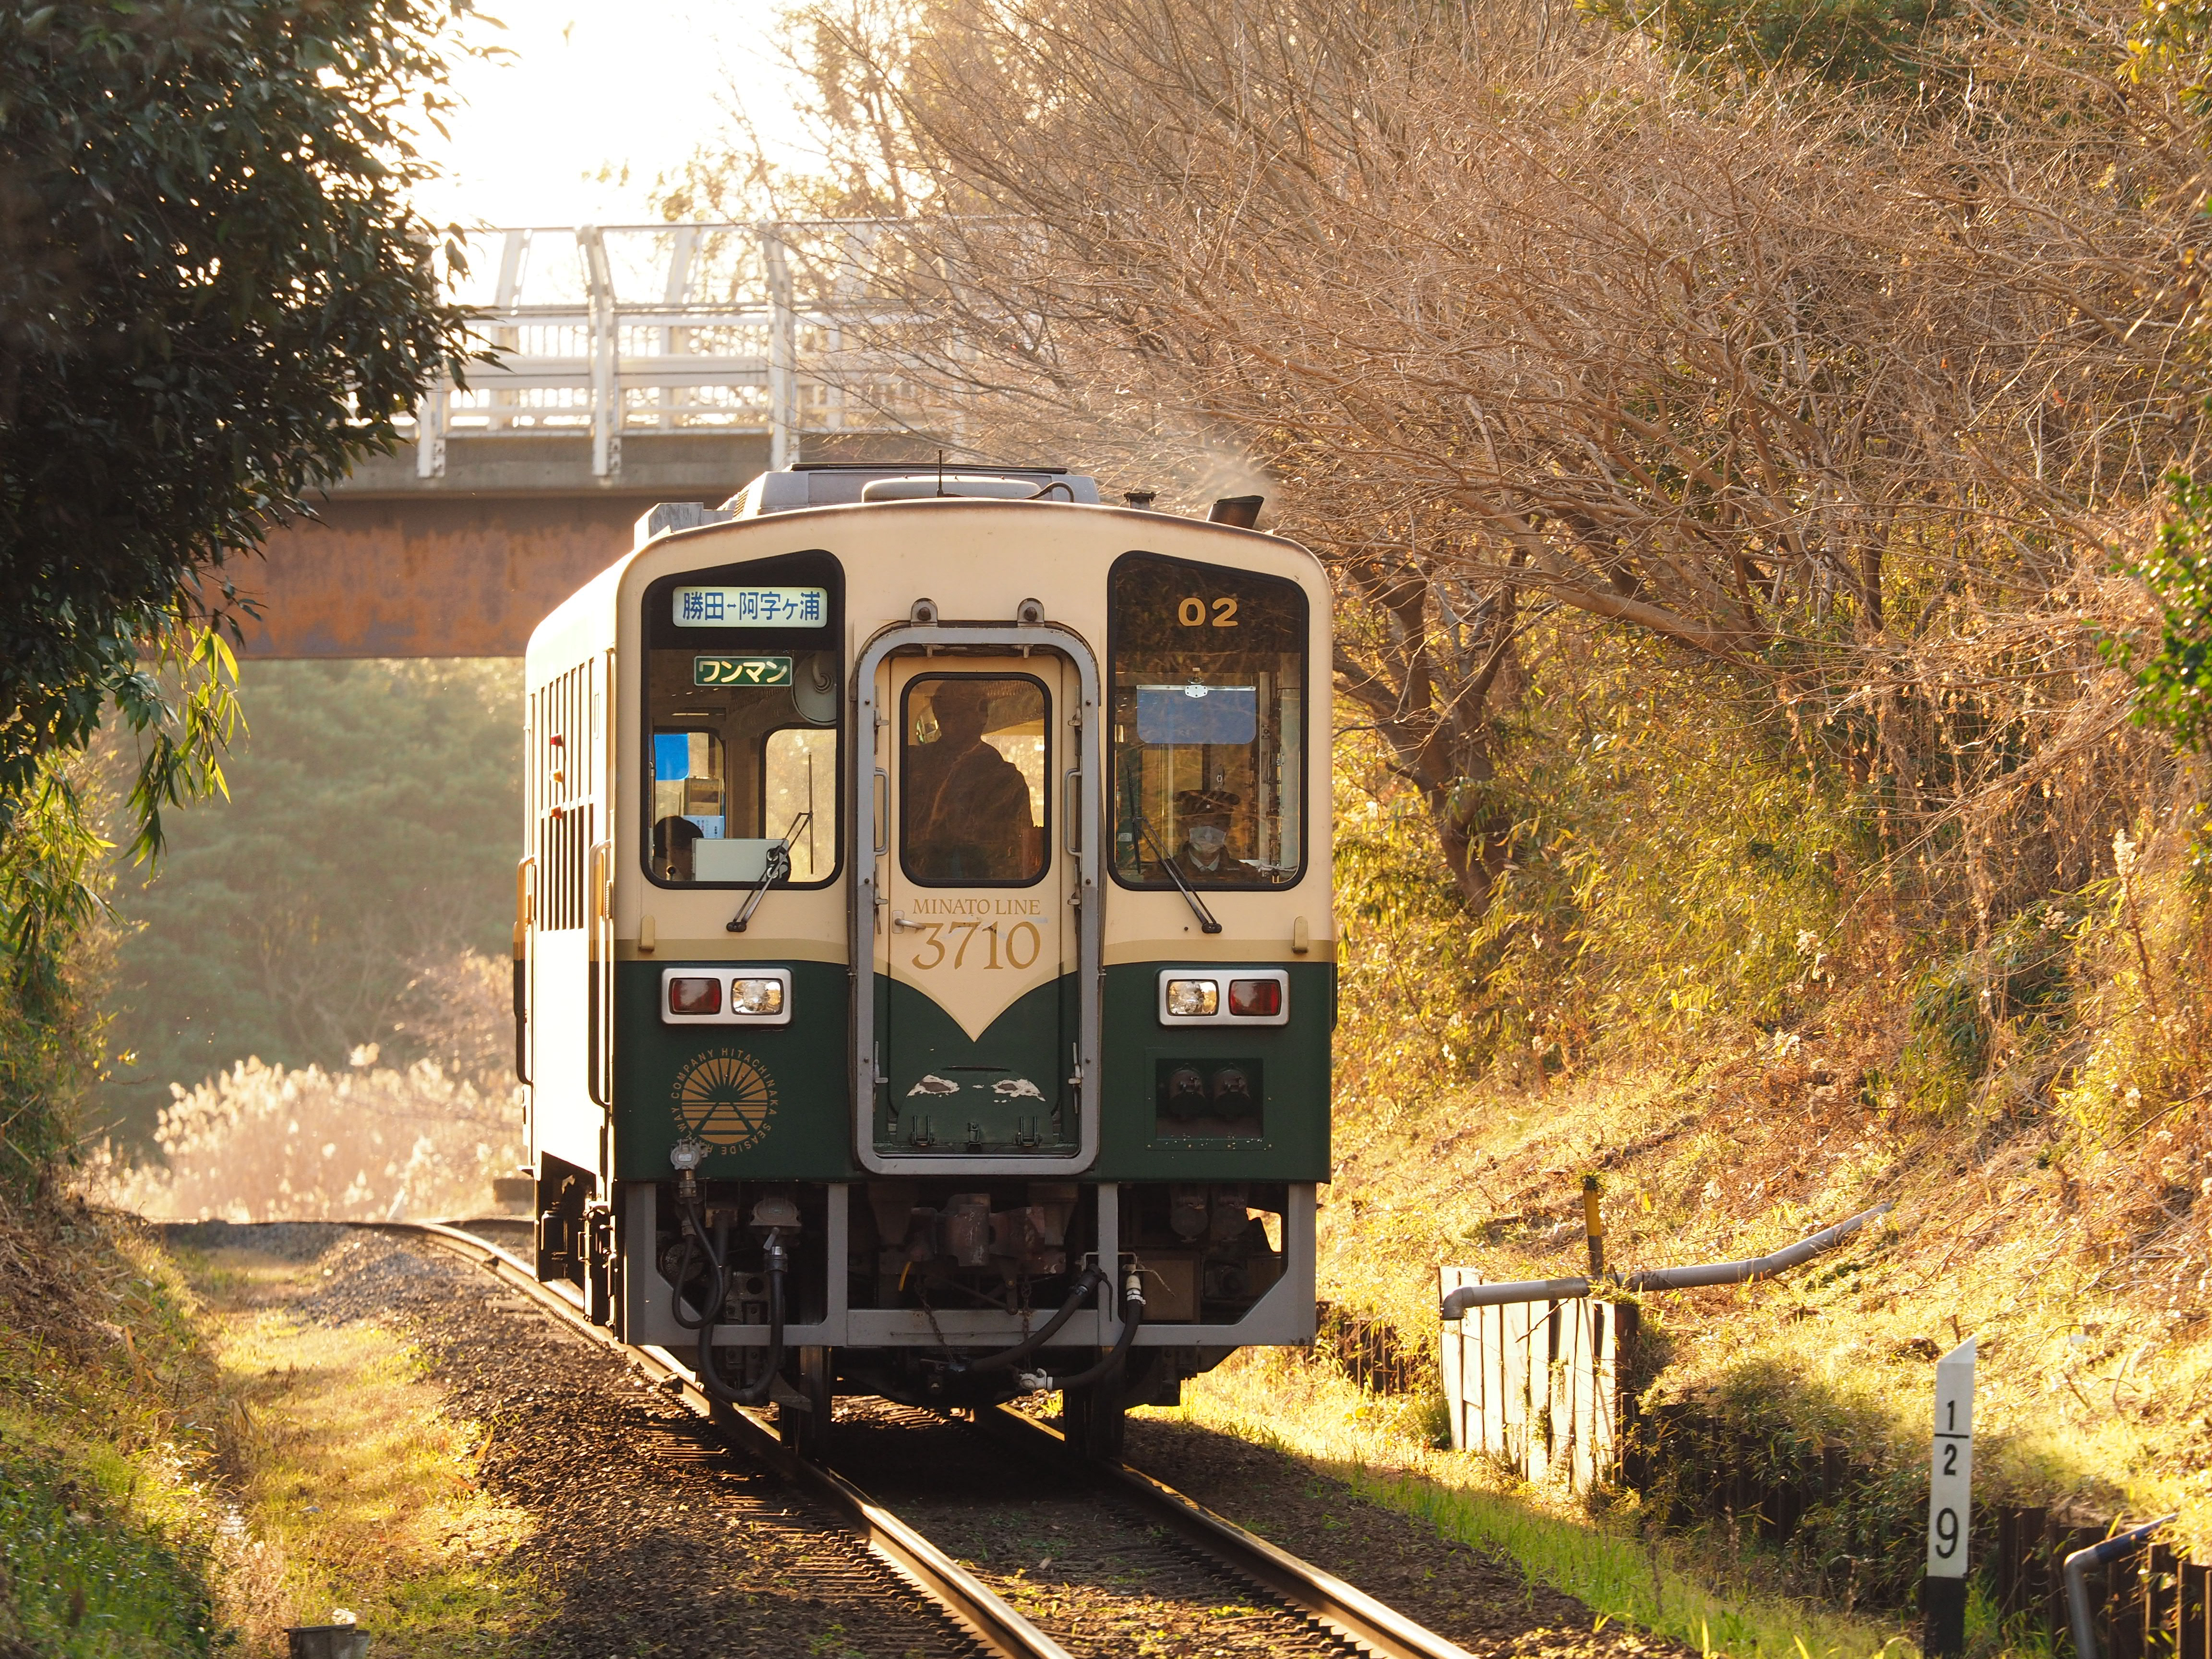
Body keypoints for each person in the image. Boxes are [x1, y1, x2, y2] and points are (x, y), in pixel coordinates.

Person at [905, 680, 1037, 880]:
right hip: (908, 879)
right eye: (945, 716)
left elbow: (1015, 854)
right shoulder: (911, 764)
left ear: (982, 714)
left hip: (980, 886)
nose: (950, 725)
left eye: (960, 715)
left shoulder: (1005, 780)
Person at [1170, 789, 1239, 883]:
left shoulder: (1246, 876)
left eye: (1217, 824)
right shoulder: (1165, 874)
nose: (1208, 834)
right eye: (1199, 823)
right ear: (1182, 828)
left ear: (1227, 831)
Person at [652, 814, 703, 882]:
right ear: (674, 851)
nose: (697, 860)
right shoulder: (674, 885)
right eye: (694, 852)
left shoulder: (655, 874)